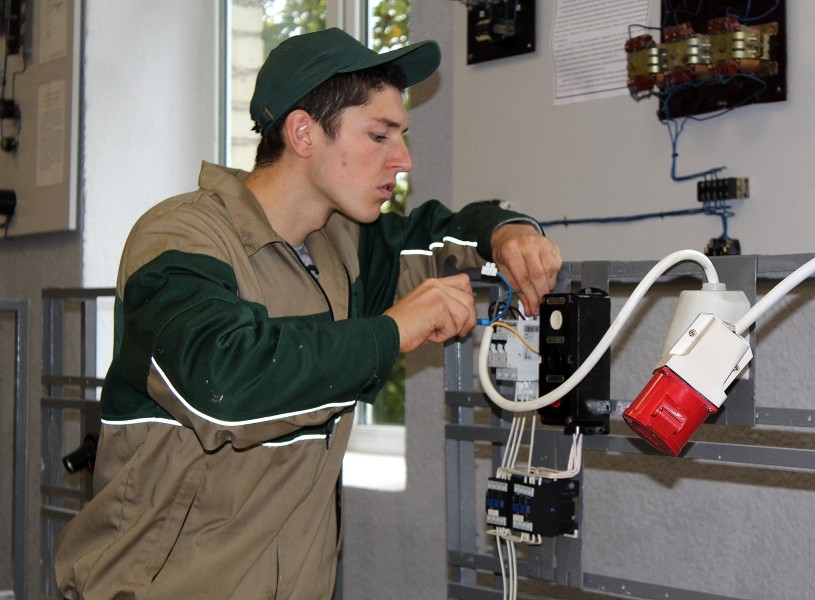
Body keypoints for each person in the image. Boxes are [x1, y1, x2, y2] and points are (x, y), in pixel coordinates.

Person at [54, 27, 561, 599]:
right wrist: (390, 331)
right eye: (379, 135)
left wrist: (506, 233)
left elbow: (442, 234)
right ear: (303, 132)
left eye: (402, 136)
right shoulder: (179, 238)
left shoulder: (343, 246)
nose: (403, 159)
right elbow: (221, 384)